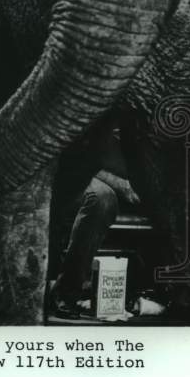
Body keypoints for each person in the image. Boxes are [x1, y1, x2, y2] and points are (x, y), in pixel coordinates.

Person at [48, 126, 138, 318]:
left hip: (137, 183)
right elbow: (72, 155)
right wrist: (119, 184)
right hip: (82, 175)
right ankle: (66, 293)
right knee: (102, 198)